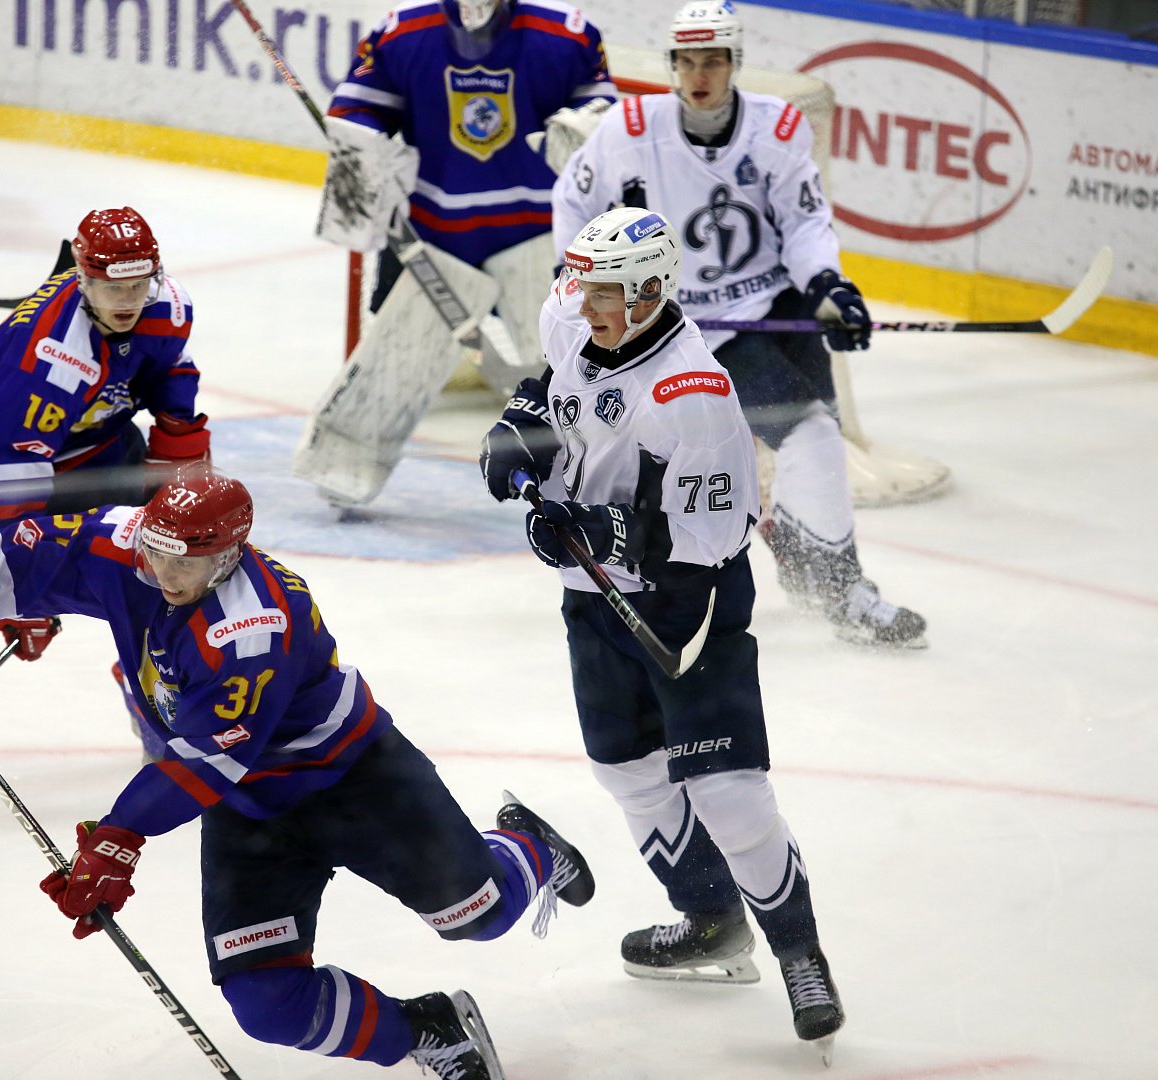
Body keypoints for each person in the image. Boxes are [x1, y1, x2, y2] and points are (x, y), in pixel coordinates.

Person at [0, 465, 595, 1079]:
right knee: (266, 1003)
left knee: (479, 917)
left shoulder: (253, 628)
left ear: (231, 556)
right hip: (249, 808)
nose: (163, 573)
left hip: (353, 781)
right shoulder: (134, 546)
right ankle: (427, 1028)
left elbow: (204, 761)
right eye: (156, 553)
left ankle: (531, 847)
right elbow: (18, 558)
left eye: (185, 562)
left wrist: (119, 836)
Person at [479, 207, 844, 1059]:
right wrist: (522, 424)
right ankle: (711, 919)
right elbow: (555, 379)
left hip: (689, 608)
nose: (584, 302)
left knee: (726, 789)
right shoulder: (577, 311)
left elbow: (715, 535)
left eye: (605, 291)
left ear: (648, 293)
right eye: (584, 285)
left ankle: (800, 955)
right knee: (627, 770)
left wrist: (601, 531)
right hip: (592, 602)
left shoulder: (696, 395)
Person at [549, 0, 926, 648]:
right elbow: (573, 200)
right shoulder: (630, 129)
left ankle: (822, 576)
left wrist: (827, 286)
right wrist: (577, 283)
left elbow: (804, 222)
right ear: (672, 65)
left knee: (816, 439)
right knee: (749, 446)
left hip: (767, 312)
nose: (700, 75)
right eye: (688, 61)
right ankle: (811, 588)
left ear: (734, 63)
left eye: (714, 61)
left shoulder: (776, 128)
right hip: (678, 329)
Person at [297, 0, 617, 504]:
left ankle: (597, 476)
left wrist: (585, 128)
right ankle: (346, 465)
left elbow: (604, 116)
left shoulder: (568, 35)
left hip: (538, 237)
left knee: (575, 365)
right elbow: (357, 107)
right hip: (438, 238)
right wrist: (365, 148)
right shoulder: (402, 32)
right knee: (397, 364)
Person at [0, 206, 211, 681]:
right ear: (83, 281)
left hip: (108, 439)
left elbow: (172, 368)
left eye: (138, 285)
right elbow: (4, 490)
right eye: (114, 288)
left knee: (191, 557)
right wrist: (20, 591)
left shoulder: (166, 307)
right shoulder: (42, 370)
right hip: (49, 469)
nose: (128, 301)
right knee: (138, 574)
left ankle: (159, 670)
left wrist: (178, 453)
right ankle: (154, 671)